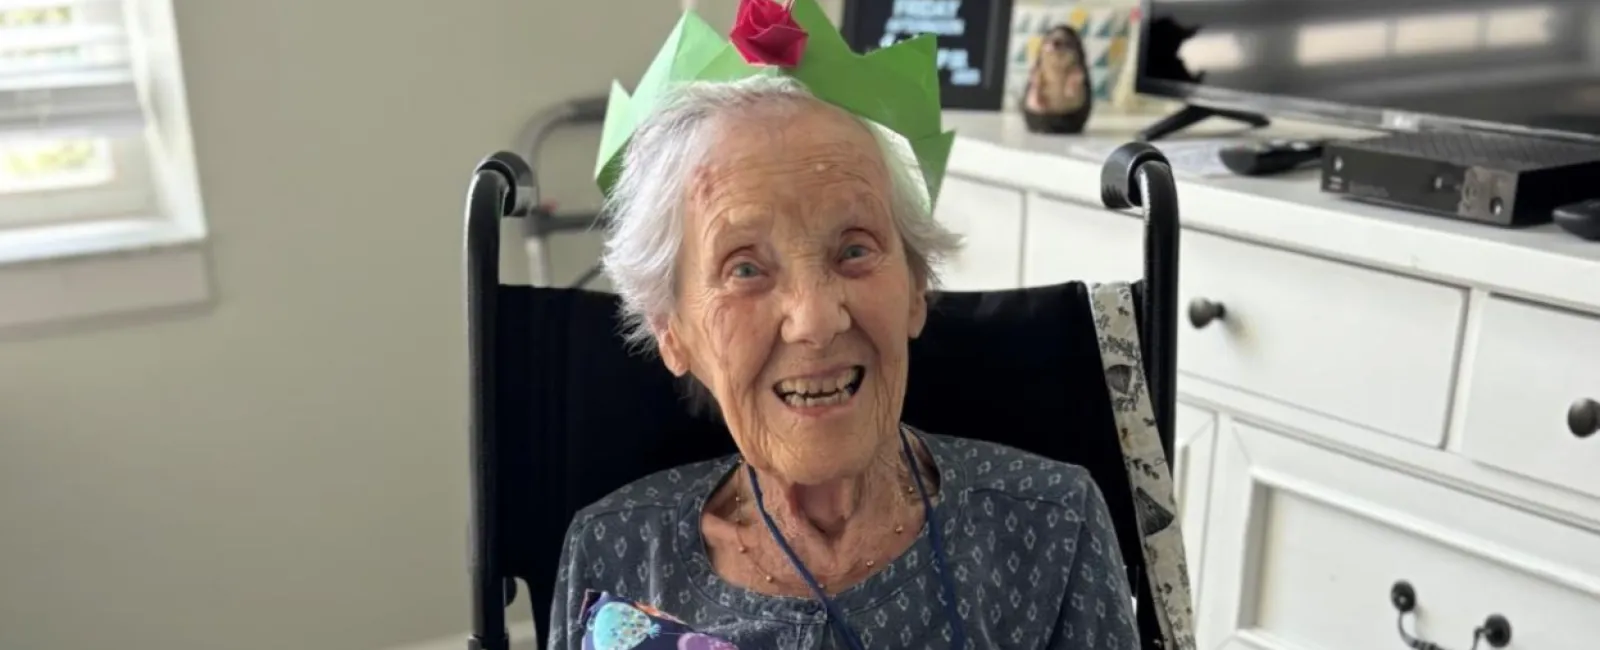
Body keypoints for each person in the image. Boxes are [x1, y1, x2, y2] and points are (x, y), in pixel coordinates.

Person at [547, 1, 1141, 648]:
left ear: (917, 286)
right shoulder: (617, 552)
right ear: (672, 331)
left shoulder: (1053, 528)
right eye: (745, 269)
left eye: (854, 250)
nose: (816, 321)